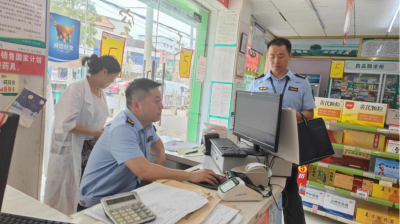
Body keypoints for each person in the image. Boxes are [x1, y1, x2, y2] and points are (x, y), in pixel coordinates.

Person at [78, 78, 219, 210]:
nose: (162, 106)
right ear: (137, 105)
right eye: (156, 101)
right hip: (97, 203)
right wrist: (191, 176)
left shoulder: (145, 123)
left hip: (124, 196)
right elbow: (144, 171)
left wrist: (161, 155)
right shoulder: (122, 129)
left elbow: (156, 142)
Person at [248, 38, 315, 224]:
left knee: (288, 188)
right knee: (260, 184)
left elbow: (310, 113)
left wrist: (293, 116)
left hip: (289, 145)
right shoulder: (258, 82)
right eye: (272, 56)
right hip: (260, 143)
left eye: (281, 56)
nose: (276, 61)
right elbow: (249, 110)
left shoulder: (301, 83)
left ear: (290, 56)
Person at [44, 54, 121, 215]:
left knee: (85, 190)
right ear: (104, 71)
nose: (112, 83)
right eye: (112, 78)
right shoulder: (76, 89)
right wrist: (94, 132)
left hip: (90, 148)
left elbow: (97, 119)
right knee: (65, 193)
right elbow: (66, 123)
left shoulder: (101, 92)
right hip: (72, 147)